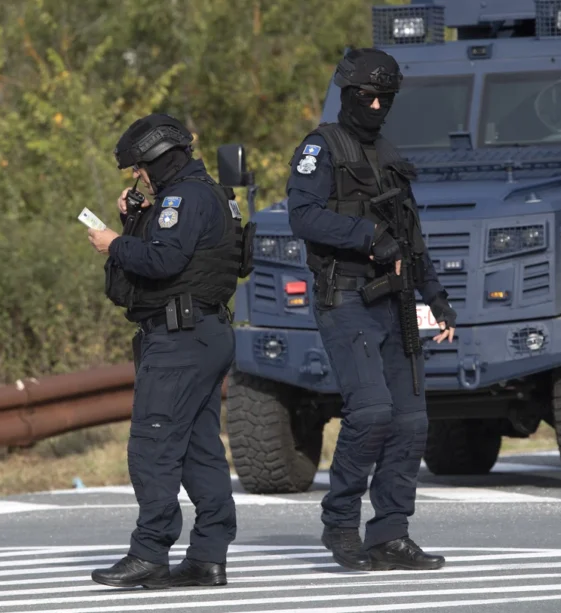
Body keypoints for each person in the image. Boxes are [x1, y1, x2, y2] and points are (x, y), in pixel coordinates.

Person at [285, 49, 457, 572]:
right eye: (368, 96)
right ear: (347, 95)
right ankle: (340, 524)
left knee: (409, 421)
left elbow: (411, 237)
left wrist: (438, 299)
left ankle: (390, 533)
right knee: (372, 411)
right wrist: (366, 237)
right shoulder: (321, 148)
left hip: (397, 301)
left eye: (386, 98)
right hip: (348, 298)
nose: (378, 105)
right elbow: (303, 216)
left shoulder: (388, 153)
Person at [87, 114, 253, 589]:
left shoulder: (183, 199)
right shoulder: (210, 196)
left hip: (180, 338)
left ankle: (150, 552)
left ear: (160, 157)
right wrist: (132, 220)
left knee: (153, 446)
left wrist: (114, 242)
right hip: (203, 332)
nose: (138, 175)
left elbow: (162, 260)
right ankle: (207, 555)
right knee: (199, 449)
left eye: (140, 166)